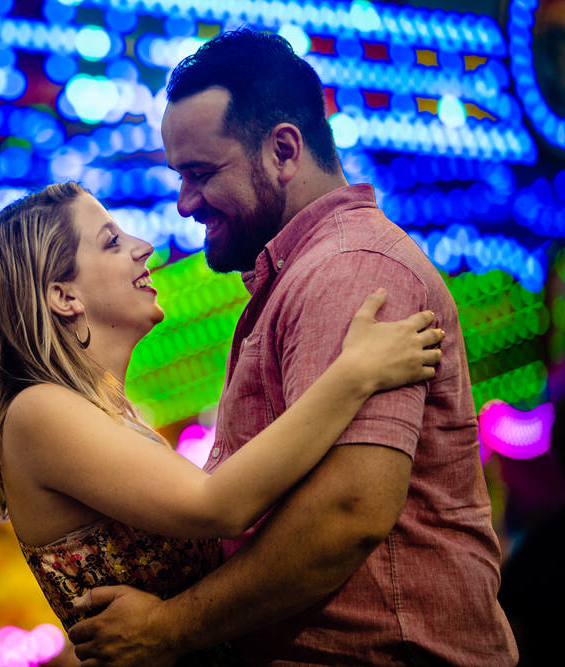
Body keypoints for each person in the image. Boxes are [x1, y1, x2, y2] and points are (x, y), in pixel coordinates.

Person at [67, 29, 518, 665]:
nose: (184, 202)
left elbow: (349, 510)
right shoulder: (305, 273)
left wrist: (168, 629)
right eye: (179, 176)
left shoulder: (348, 270)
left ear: (283, 149)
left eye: (201, 173)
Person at [0, 180, 444, 664]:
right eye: (111, 241)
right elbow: (219, 505)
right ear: (63, 296)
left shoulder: (96, 413)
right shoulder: (37, 410)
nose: (143, 247)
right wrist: (354, 375)